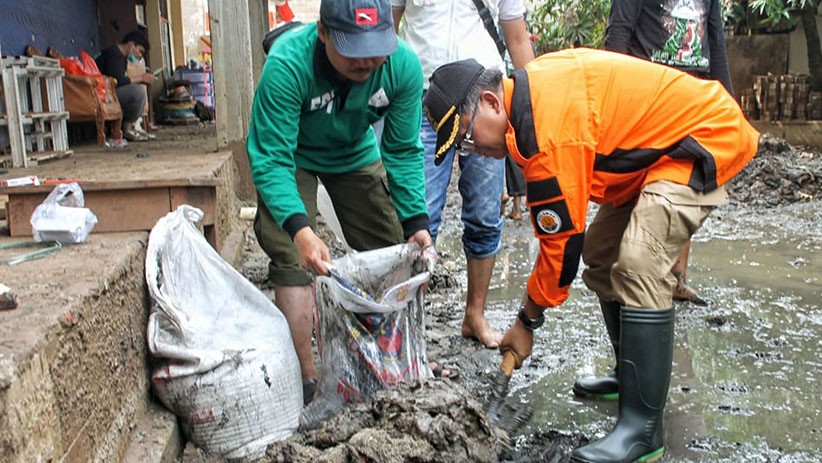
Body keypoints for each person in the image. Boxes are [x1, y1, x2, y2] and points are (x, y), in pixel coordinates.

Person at [422, 50, 758, 462]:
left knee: (638, 263)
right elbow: (577, 243)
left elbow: (561, 250)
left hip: (701, 138)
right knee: (603, 253)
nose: (474, 151)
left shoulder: (547, 132)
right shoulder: (529, 102)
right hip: (653, 157)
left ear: (492, 104)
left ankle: (641, 432)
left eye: (468, 139)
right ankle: (629, 376)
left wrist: (526, 322)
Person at [246, 0, 434, 405]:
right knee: (289, 252)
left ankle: (395, 361)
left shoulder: (402, 67)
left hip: (353, 151)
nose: (366, 60)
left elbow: (402, 150)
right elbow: (271, 158)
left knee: (391, 248)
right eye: (353, 46)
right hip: (292, 153)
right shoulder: (287, 66)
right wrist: (301, 231)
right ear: (324, 33)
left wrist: (416, 220)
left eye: (375, 45)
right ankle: (307, 376)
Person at [391, 0, 534, 348]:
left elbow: (516, 37)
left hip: (485, 100)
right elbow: (386, 28)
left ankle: (475, 315)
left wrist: (535, 107)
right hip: (424, 98)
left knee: (486, 215)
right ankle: (407, 328)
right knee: (418, 216)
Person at [605, 0, 733, 309]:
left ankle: (677, 277)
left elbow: (714, 41)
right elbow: (618, 36)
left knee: (685, 183)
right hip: (650, 91)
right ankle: (642, 272)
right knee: (648, 190)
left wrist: (729, 106)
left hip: (695, 93)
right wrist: (615, 103)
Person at [95, 30, 156, 142]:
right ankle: (127, 127)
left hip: (107, 92)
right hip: (102, 93)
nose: (139, 56)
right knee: (137, 93)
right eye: (140, 51)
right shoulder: (115, 54)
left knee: (139, 91)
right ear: (131, 45)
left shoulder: (121, 57)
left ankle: (130, 126)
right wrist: (141, 78)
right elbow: (117, 81)